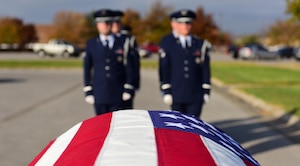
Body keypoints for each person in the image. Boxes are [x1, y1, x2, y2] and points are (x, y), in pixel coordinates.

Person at [83, 9, 137, 115]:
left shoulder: (122, 42)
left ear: (112, 24)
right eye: (101, 23)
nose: (105, 25)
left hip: (118, 93)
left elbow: (129, 67)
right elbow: (87, 68)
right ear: (97, 25)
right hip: (100, 93)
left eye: (107, 22)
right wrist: (88, 90)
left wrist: (129, 87)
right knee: (101, 127)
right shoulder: (91, 44)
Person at [158, 9, 211, 117]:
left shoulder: (200, 44)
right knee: (179, 129)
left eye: (188, 23)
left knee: (194, 127)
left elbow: (205, 69)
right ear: (177, 24)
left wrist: (206, 90)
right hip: (176, 93)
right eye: (182, 23)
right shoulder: (168, 43)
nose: (185, 26)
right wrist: (166, 90)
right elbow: (164, 68)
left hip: (195, 94)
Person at [111, 10, 140, 109]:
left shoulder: (127, 40)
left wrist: (133, 84)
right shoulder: (102, 41)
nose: (115, 25)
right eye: (112, 22)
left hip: (124, 85)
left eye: (117, 22)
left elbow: (134, 64)